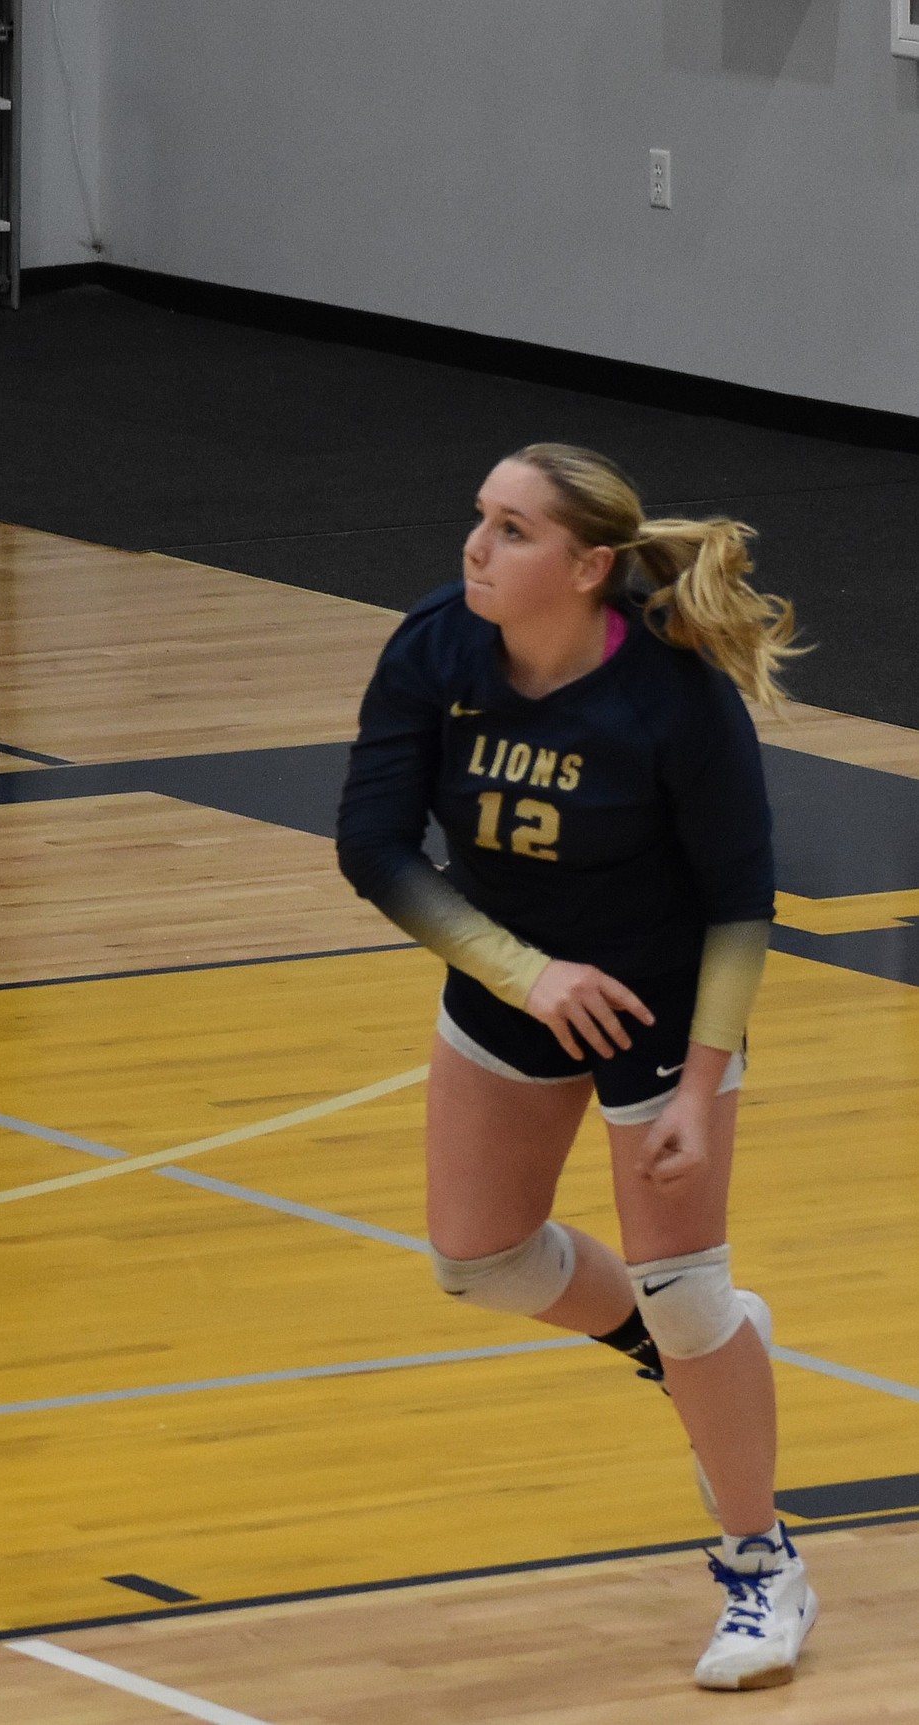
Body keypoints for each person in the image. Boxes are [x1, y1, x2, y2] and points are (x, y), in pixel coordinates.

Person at [336, 442, 817, 1691]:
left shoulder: (670, 691)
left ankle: (762, 1565)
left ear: (588, 566)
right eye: (479, 520)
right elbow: (373, 847)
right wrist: (522, 973)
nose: (476, 548)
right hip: (512, 979)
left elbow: (740, 900)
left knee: (688, 1284)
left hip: (660, 1001)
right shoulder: (435, 647)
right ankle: (690, 1354)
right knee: (480, 1263)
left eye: (511, 530)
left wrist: (704, 1092)